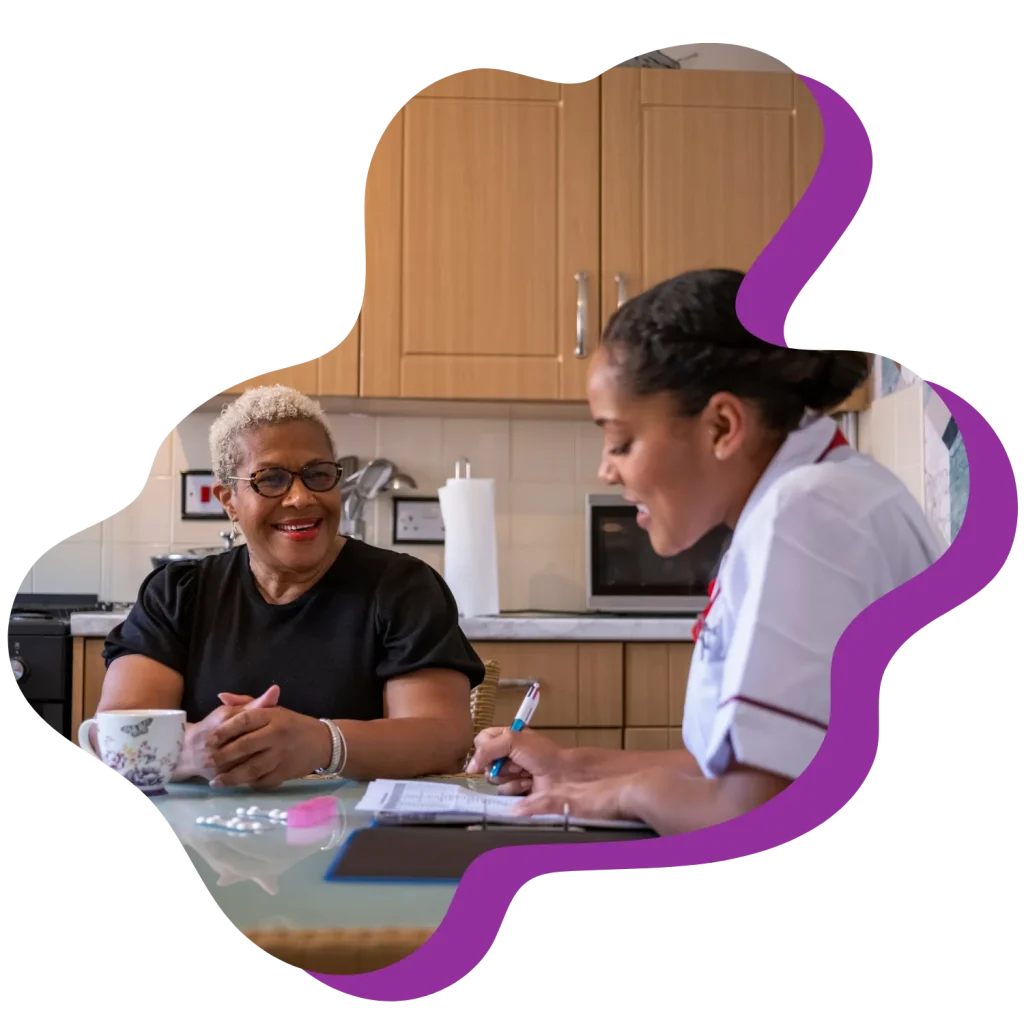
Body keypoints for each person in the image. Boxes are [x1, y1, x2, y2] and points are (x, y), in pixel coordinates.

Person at [468, 269, 945, 834]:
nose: (605, 468)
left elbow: (758, 810)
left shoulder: (806, 515)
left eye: (620, 440)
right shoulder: (811, 496)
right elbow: (744, 771)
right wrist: (575, 767)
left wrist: (620, 793)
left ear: (722, 425)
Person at [94, 384, 485, 789]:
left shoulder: (401, 589)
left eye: (317, 475)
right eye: (271, 479)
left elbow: (444, 738)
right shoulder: (179, 594)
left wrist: (322, 742)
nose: (300, 498)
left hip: (357, 838)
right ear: (229, 500)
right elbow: (115, 734)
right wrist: (195, 747)